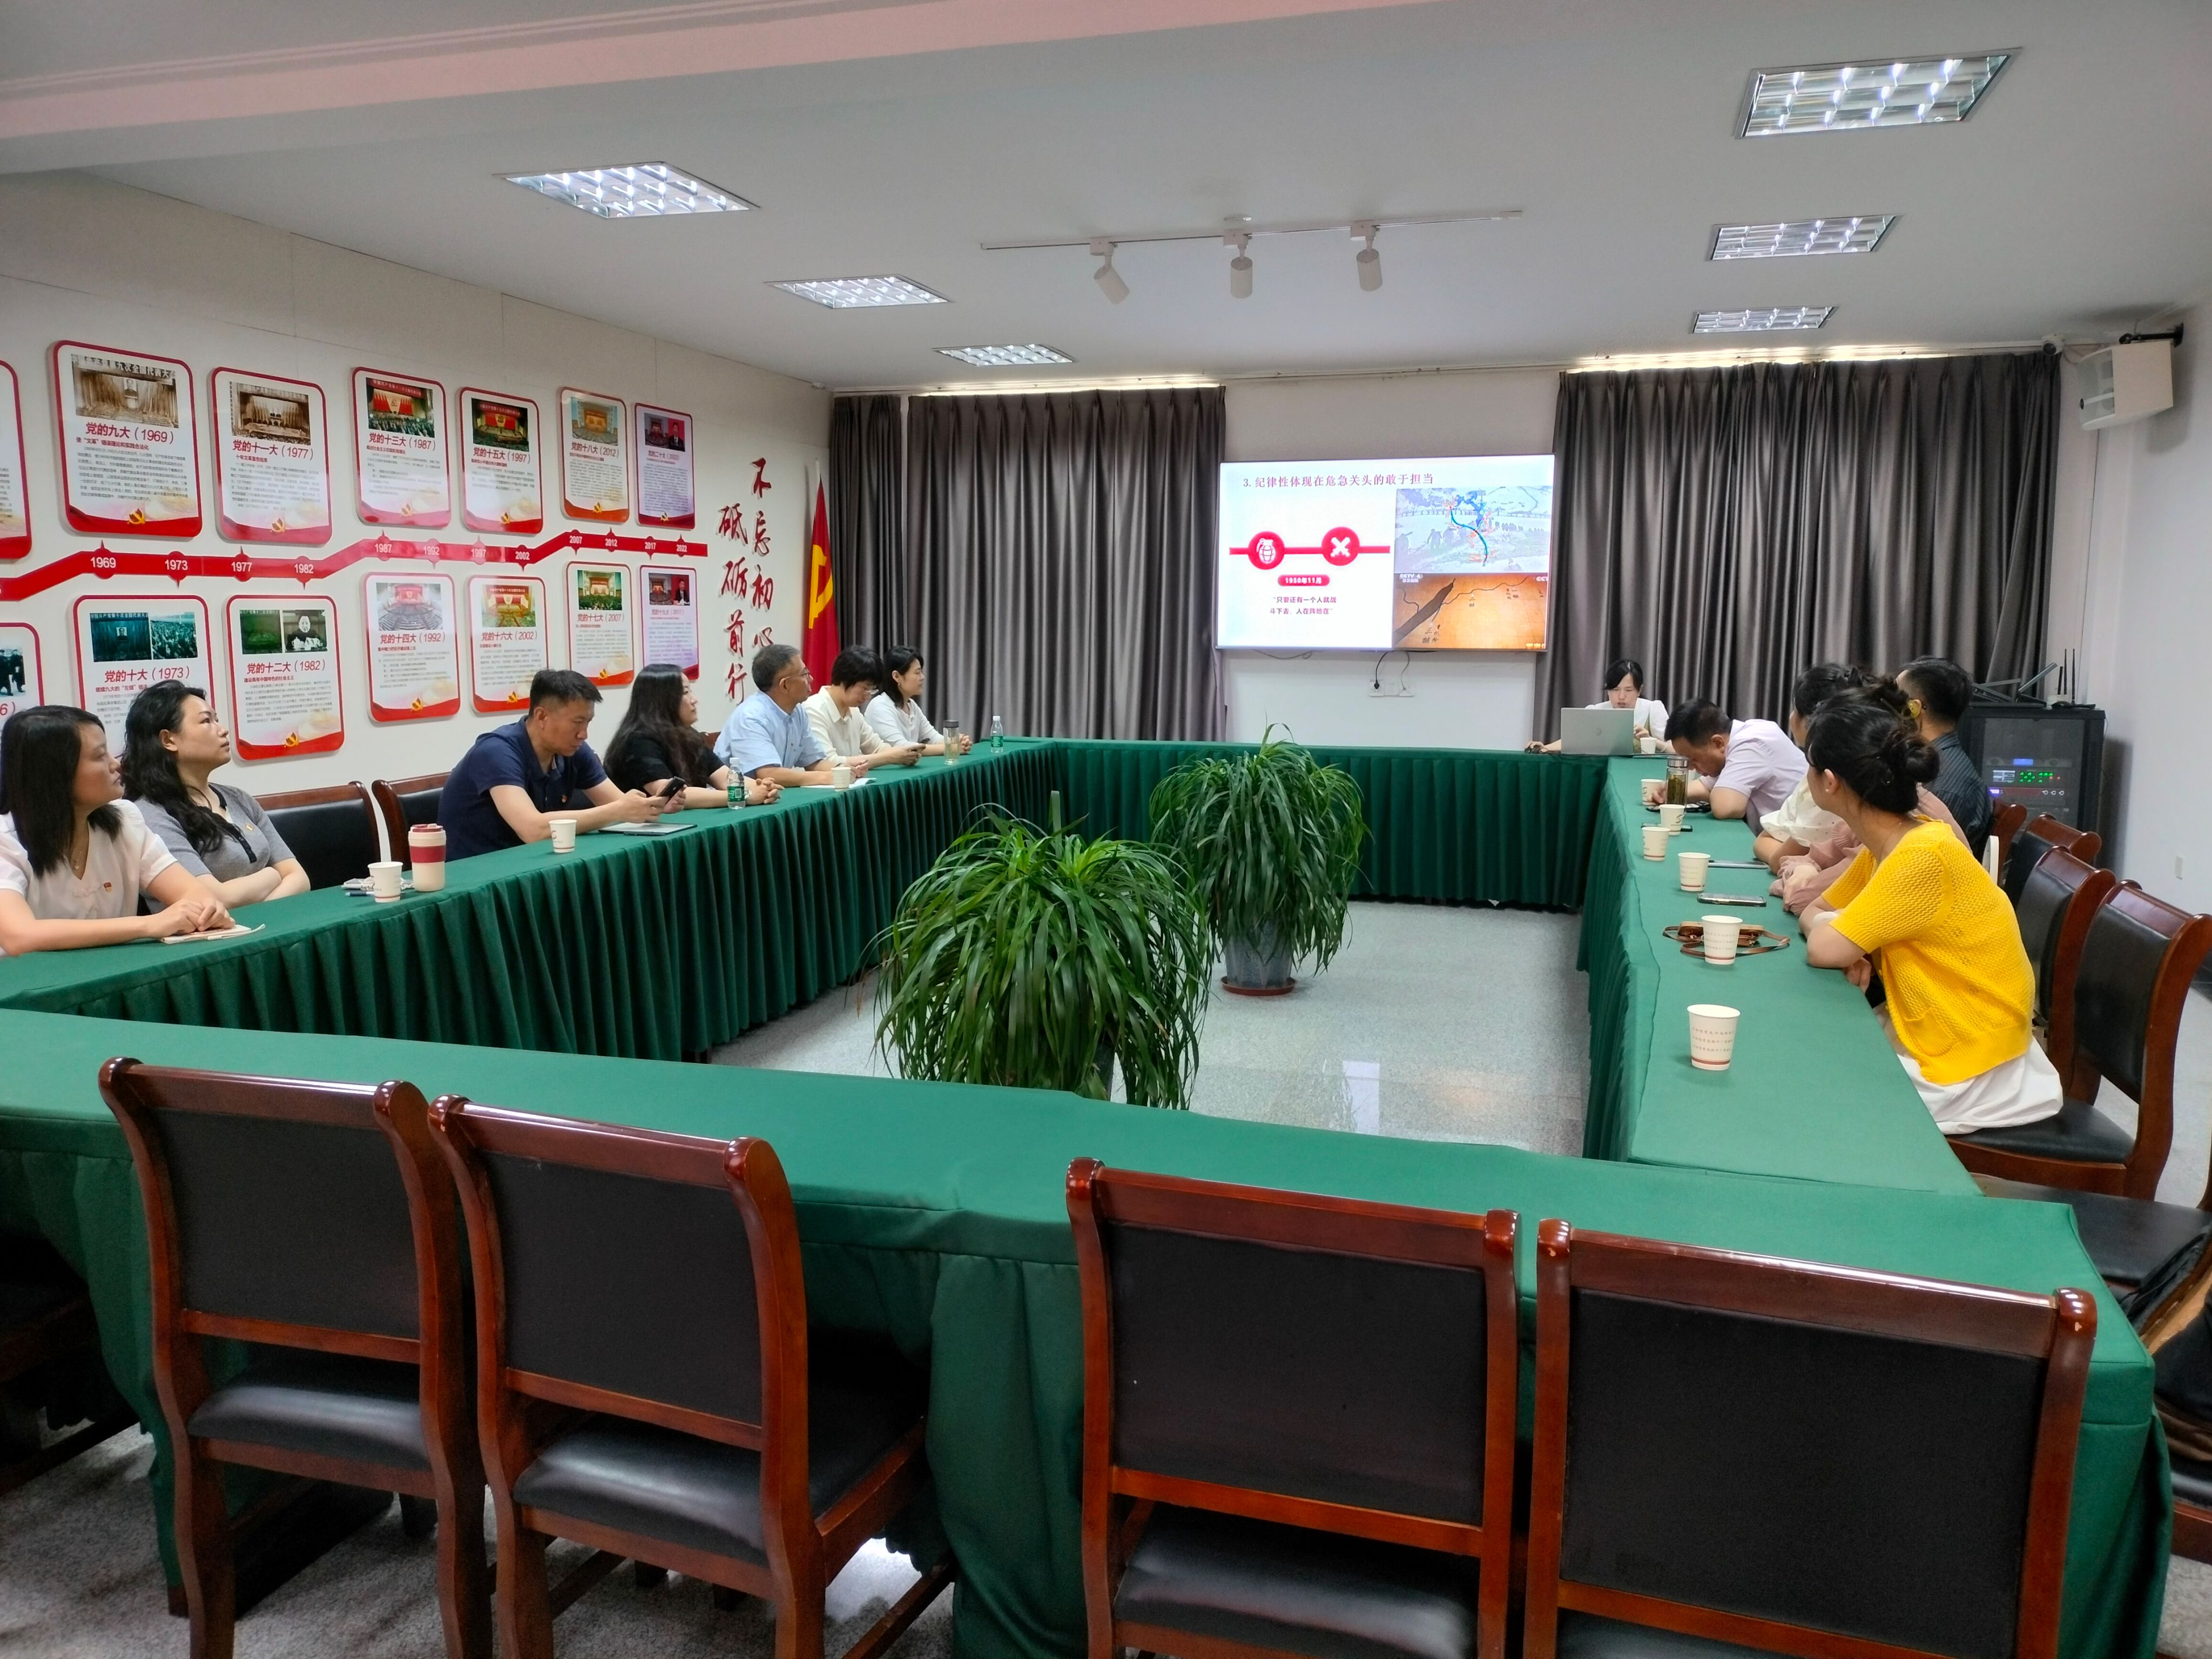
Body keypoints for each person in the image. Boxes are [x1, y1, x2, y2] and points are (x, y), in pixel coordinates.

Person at [1799, 694, 2059, 1135]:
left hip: (1971, 1058)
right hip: (1938, 1026)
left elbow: (1823, 946)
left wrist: (1845, 942)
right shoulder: (1895, 841)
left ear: (1829, 781)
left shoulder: (1922, 856)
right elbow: (1817, 911)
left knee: (1818, 1094)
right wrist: (1848, 941)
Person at [0, 704, 232, 954]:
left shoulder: (125, 820)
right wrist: (148, 925)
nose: (115, 764)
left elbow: (192, 892)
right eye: (100, 756)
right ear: (55, 773)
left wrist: (207, 908)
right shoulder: (6, 839)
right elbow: (20, 936)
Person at [1775, 678, 1971, 914]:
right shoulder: (1874, 807)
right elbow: (1806, 864)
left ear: (1830, 781)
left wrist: (1801, 880)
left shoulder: (1900, 838)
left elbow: (1802, 900)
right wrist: (1803, 868)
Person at [437, 668, 672, 861]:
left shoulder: (573, 749)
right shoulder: (496, 751)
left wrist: (649, 806)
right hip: (478, 872)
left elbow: (619, 803)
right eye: (577, 723)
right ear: (542, 717)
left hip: (532, 862)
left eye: (588, 722)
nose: (584, 734)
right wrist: (619, 810)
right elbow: (532, 830)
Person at [121, 683, 311, 908]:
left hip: (266, 922)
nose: (222, 730)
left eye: (217, 720)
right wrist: (272, 876)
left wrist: (264, 910)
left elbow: (299, 878)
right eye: (206, 721)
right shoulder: (151, 814)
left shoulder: (238, 798)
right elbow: (212, 898)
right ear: (169, 740)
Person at [603, 663, 779, 808]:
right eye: (686, 693)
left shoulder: (688, 735)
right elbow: (672, 795)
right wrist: (742, 796)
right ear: (663, 700)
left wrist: (761, 788)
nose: (694, 700)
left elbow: (723, 776)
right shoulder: (639, 741)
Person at [1751, 664, 1864, 871]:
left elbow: (1779, 858)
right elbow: (1766, 840)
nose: (1792, 716)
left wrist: (1779, 855)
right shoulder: (1818, 768)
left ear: (1812, 721)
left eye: (1796, 709)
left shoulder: (1834, 781)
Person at [1895, 656, 1994, 859]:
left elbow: (1918, 860)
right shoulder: (1932, 765)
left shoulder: (1945, 786)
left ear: (1914, 708)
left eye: (1893, 697)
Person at [1665, 697, 1805, 835]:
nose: (1690, 768)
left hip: (1799, 840)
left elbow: (1725, 807)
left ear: (1718, 743)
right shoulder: (1737, 738)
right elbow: (1706, 787)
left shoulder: (1751, 743)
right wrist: (1669, 791)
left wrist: (1721, 795)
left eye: (1693, 760)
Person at [715, 644, 839, 788]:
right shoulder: (751, 717)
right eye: (804, 674)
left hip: (770, 794)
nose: (811, 679)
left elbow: (814, 762)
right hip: (733, 798)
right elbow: (768, 773)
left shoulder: (797, 711)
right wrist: (825, 777)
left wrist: (843, 771)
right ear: (785, 685)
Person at [804, 649, 920, 769]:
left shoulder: (854, 711)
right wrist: (890, 757)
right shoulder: (814, 710)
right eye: (865, 689)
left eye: (872, 690)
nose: (868, 696)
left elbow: (876, 747)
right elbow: (829, 762)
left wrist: (904, 754)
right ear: (845, 680)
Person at [1527, 658, 1669, 752]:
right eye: (1615, 690)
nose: (1621, 697)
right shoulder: (1596, 711)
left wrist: (1652, 741)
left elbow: (1675, 749)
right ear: (1608, 690)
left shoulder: (1652, 709)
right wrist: (1545, 748)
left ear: (1639, 691)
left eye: (1629, 690)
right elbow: (1573, 740)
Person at [866, 647, 970, 757]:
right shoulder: (880, 706)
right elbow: (903, 747)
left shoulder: (911, 705)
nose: (922, 677)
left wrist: (956, 741)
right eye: (917, 673)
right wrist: (951, 748)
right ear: (897, 677)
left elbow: (933, 738)